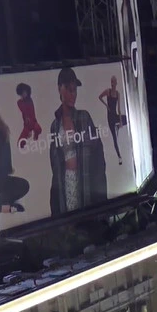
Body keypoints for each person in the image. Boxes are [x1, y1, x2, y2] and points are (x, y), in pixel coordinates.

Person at [48, 67, 107, 216]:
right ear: (59, 89)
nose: (72, 94)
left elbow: (98, 157)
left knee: (85, 224)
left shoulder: (84, 117)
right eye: (68, 89)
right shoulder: (55, 125)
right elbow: (54, 166)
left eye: (74, 90)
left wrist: (101, 200)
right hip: (65, 185)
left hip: (85, 184)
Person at [98, 75, 123, 165]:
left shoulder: (117, 93)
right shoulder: (107, 91)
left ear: (116, 83)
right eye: (112, 81)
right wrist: (106, 105)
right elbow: (100, 97)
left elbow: (119, 108)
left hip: (115, 115)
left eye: (114, 81)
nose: (113, 83)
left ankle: (118, 127)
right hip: (110, 117)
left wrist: (120, 121)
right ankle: (119, 157)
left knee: (125, 118)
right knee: (114, 139)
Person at [15, 83, 42, 148]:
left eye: (23, 93)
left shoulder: (29, 102)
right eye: (21, 94)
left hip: (32, 123)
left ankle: (35, 133)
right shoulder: (20, 102)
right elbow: (22, 109)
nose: (23, 95)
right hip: (27, 125)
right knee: (20, 143)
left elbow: (31, 115)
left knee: (37, 129)